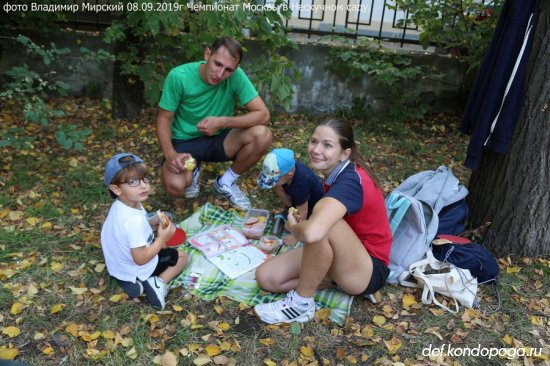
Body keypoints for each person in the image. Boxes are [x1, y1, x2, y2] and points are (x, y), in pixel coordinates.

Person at [254, 118, 393, 324]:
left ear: (344, 153)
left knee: (324, 224)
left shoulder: (351, 181)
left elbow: (312, 233)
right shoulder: (337, 173)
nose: (316, 149)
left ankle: (301, 304)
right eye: (313, 141)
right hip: (341, 254)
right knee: (267, 277)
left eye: (327, 145)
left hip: (368, 268)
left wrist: (295, 227)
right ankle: (331, 280)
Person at [156, 36, 271, 210]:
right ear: (207, 54)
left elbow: (263, 115)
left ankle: (226, 182)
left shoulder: (236, 76)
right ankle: (193, 169)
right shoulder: (179, 76)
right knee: (175, 185)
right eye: (217, 64)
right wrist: (170, 154)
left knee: (263, 134)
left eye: (228, 69)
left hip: (220, 141)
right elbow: (163, 119)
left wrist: (223, 122)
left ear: (236, 68)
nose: (220, 74)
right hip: (186, 145)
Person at [101, 153, 188, 310]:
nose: (143, 186)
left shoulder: (123, 205)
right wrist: (161, 239)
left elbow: (128, 233)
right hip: (136, 264)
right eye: (133, 182)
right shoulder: (132, 222)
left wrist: (150, 222)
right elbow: (140, 259)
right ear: (116, 189)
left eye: (144, 179)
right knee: (182, 256)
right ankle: (157, 283)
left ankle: (129, 281)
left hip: (119, 265)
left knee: (151, 250)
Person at [257, 148, 324, 245]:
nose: (273, 182)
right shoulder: (288, 168)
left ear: (289, 174)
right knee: (277, 186)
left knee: (288, 227)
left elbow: (303, 212)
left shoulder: (299, 185)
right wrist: (290, 208)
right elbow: (277, 184)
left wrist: (296, 235)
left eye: (275, 179)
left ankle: (300, 229)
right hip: (299, 200)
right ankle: (290, 208)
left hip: (313, 208)